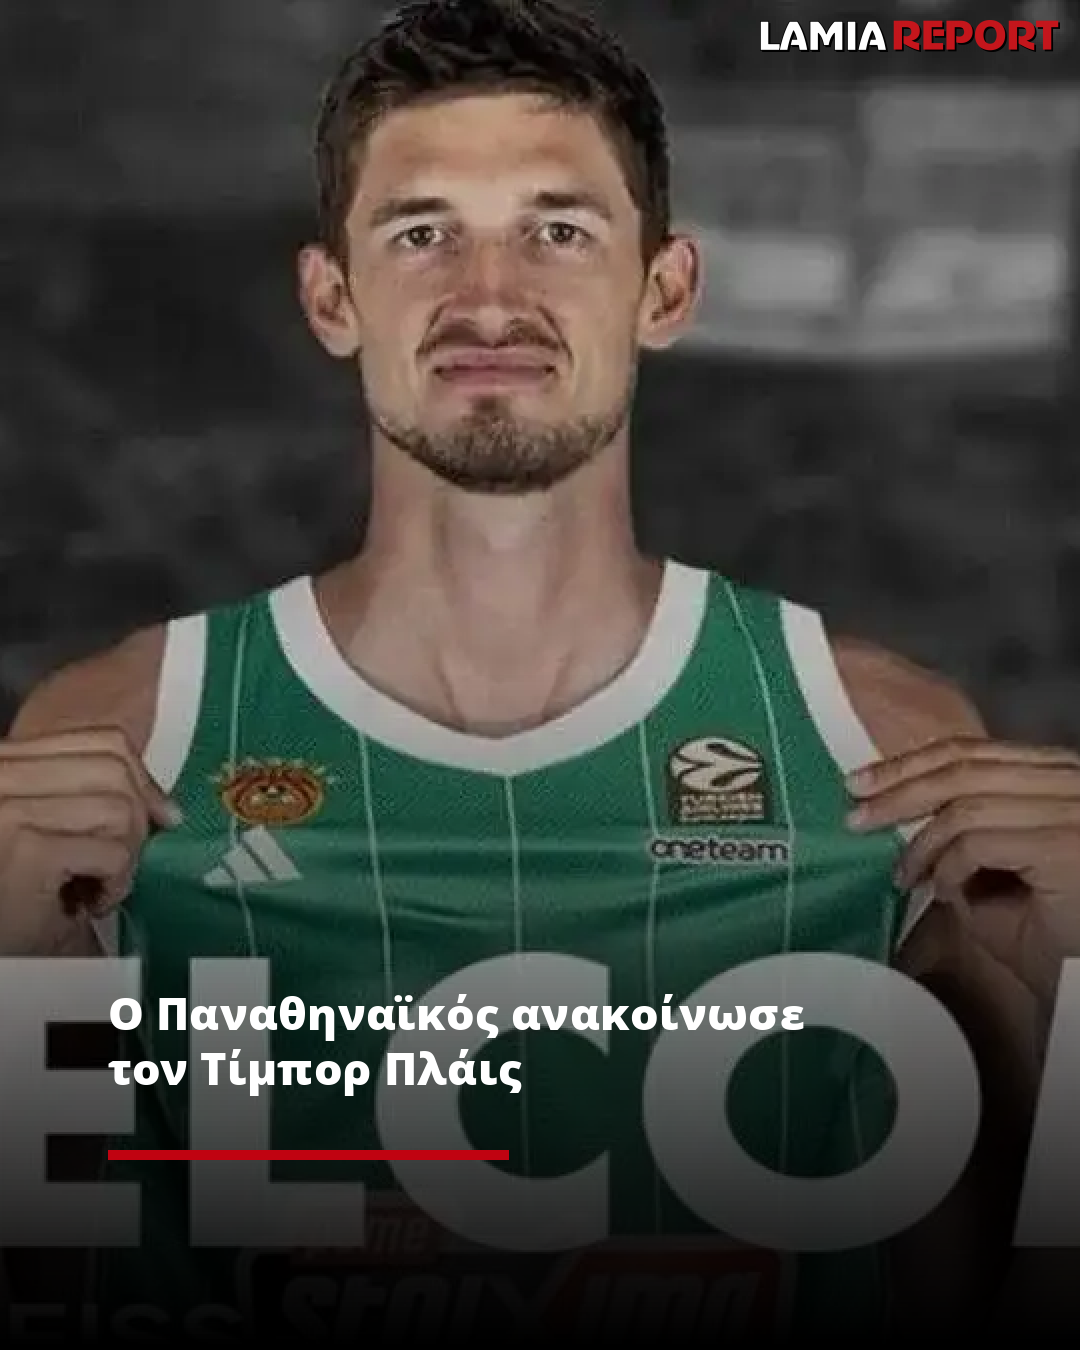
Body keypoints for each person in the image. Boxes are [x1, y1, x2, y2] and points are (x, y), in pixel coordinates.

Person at [2, 0, 1079, 1341]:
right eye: (423, 232)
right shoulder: (124, 733)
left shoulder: (878, 742)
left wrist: (1073, 987)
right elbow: (44, 1275)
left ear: (665, 290)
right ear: (332, 298)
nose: (490, 298)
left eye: (557, 230)